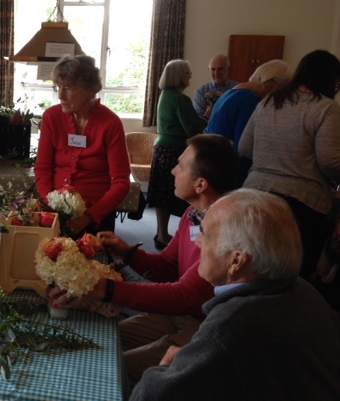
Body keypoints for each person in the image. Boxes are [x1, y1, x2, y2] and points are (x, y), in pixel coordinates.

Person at [50, 134, 238, 391]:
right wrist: (128, 253)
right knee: (98, 341)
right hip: (177, 315)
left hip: (204, 328)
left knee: (111, 367)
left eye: (180, 166)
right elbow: (170, 268)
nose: (172, 170)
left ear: (201, 185)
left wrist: (107, 289)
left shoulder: (224, 228)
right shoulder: (192, 213)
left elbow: (185, 295)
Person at [130, 189, 340, 401]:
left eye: (206, 233)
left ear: (236, 261)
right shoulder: (303, 290)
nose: (198, 242)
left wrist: (164, 369)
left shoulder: (233, 324)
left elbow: (150, 396)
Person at [239, 50, 340, 309]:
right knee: (291, 281)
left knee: (252, 272)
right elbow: (330, 160)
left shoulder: (269, 102)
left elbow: (245, 147)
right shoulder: (326, 108)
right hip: (300, 206)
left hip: (255, 197)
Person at [34, 55, 130, 235]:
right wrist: (52, 205)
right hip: (55, 214)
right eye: (58, 87)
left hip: (96, 217)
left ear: (89, 90)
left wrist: (89, 217)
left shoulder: (110, 123)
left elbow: (121, 182)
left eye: (68, 88)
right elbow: (43, 168)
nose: (60, 95)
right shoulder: (51, 117)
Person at [147, 59, 206, 250]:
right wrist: (207, 115)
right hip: (174, 150)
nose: (190, 76)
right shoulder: (181, 99)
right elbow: (192, 129)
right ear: (179, 75)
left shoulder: (165, 95)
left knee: (162, 194)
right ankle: (180, 238)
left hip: (161, 148)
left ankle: (162, 234)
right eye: (187, 72)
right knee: (181, 195)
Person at [206, 59, 290, 186]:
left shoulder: (231, 92)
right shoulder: (250, 100)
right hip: (229, 172)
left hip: (213, 165)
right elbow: (244, 148)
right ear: (271, 84)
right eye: (281, 90)